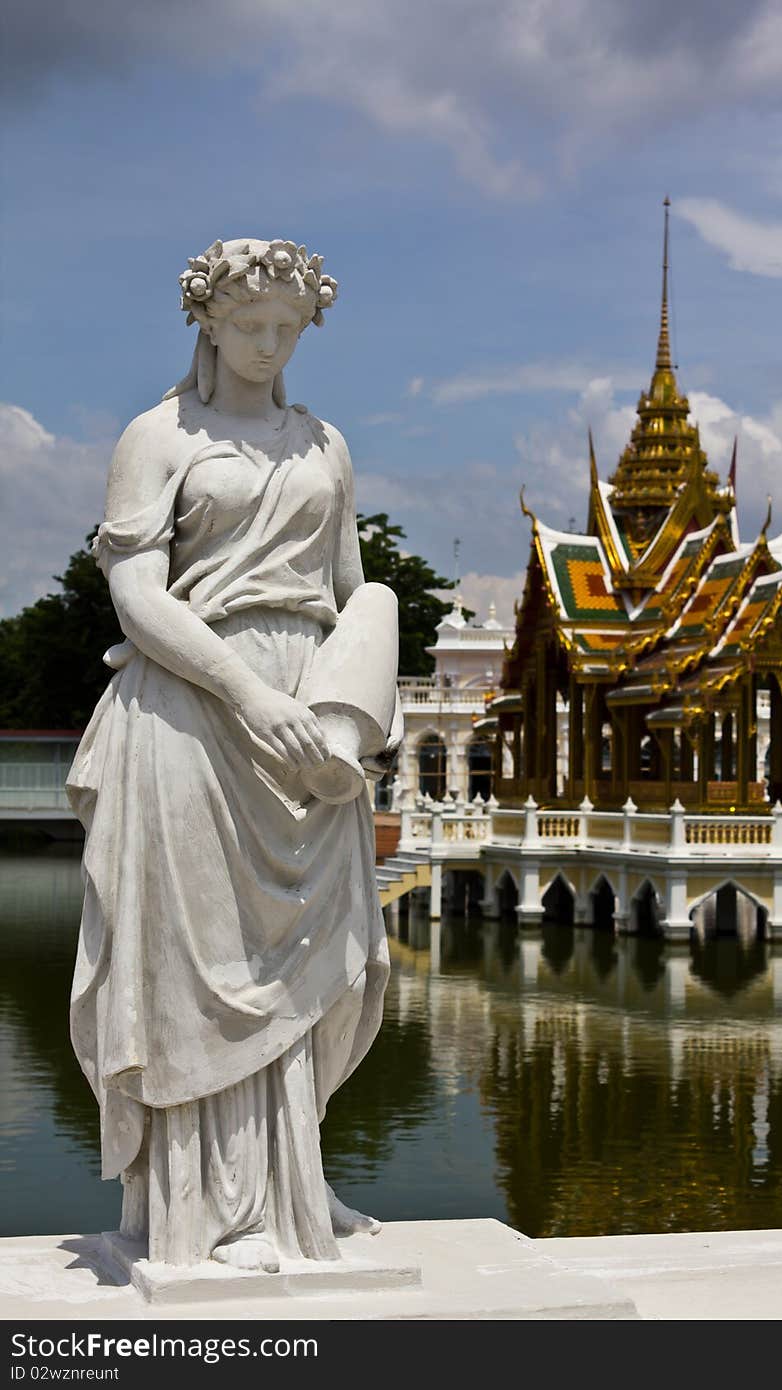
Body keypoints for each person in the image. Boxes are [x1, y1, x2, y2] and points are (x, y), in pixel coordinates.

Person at [68, 238, 400, 1272]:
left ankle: (294, 1180)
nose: (267, 344)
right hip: (193, 708)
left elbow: (353, 591)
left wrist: (339, 714)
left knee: (332, 967)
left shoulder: (323, 446)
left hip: (308, 726)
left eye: (286, 329)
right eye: (249, 325)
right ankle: (211, 1207)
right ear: (207, 320)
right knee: (197, 972)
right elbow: (137, 596)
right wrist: (248, 691)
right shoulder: (158, 437)